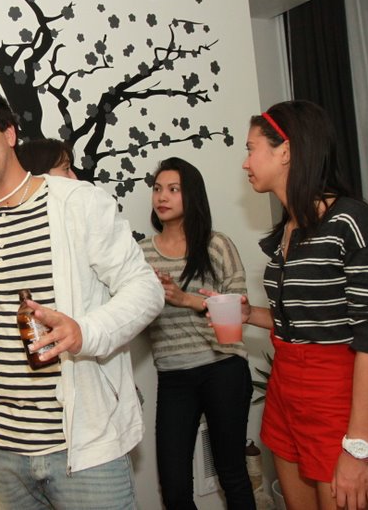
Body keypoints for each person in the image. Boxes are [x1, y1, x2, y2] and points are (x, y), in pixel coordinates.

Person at [0, 84, 164, 509]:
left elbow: (145, 289)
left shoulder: (78, 202)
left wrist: (84, 332)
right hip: (4, 454)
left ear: (9, 132)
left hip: (83, 449)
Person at [236, 100, 368, 509]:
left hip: (334, 394)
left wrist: (358, 446)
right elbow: (306, 318)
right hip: (285, 389)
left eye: (251, 149)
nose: (246, 162)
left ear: (284, 150)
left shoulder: (351, 220)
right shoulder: (288, 229)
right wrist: (249, 315)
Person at [140, 157, 255, 509]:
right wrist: (146, 298)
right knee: (174, 488)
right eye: (158, 189)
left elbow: (239, 312)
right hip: (173, 375)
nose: (162, 197)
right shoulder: (141, 254)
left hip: (223, 368)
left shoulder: (216, 245)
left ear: (192, 195)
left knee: (232, 474)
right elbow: (134, 318)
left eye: (173, 189)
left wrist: (185, 299)